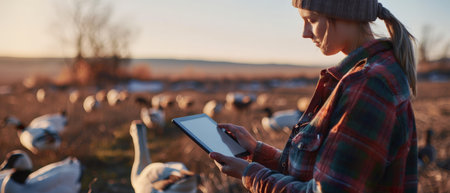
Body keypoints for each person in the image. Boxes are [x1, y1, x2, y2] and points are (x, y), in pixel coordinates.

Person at [209, 0, 418, 192]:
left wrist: (250, 174)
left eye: (312, 20)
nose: (305, 33)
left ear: (345, 13)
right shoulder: (367, 74)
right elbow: (319, 173)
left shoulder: (368, 84)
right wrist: (257, 152)